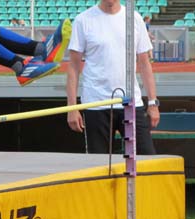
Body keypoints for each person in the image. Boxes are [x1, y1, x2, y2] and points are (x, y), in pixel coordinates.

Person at [66, 0, 159, 155]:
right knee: (99, 164)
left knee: (146, 159)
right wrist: (72, 108)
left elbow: (144, 64)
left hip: (130, 103)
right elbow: (73, 67)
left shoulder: (134, 19)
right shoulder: (83, 20)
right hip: (96, 104)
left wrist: (153, 103)